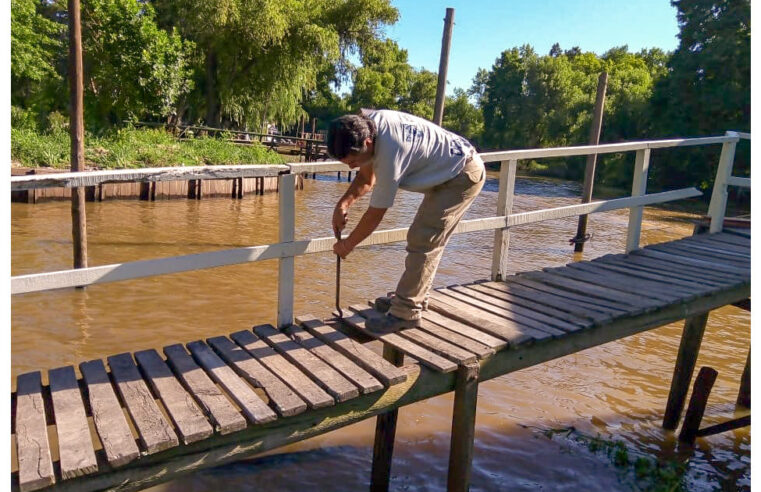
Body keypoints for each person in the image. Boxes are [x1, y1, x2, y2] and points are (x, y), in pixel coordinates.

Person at [327, 109, 485, 333]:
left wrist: (347, 245)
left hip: (462, 174)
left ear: (368, 142)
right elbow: (365, 177)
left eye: (353, 161)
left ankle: (406, 312)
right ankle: (413, 297)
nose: (351, 167)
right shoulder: (368, 124)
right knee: (426, 239)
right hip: (447, 168)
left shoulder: (390, 153)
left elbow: (375, 214)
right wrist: (342, 205)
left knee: (423, 239)